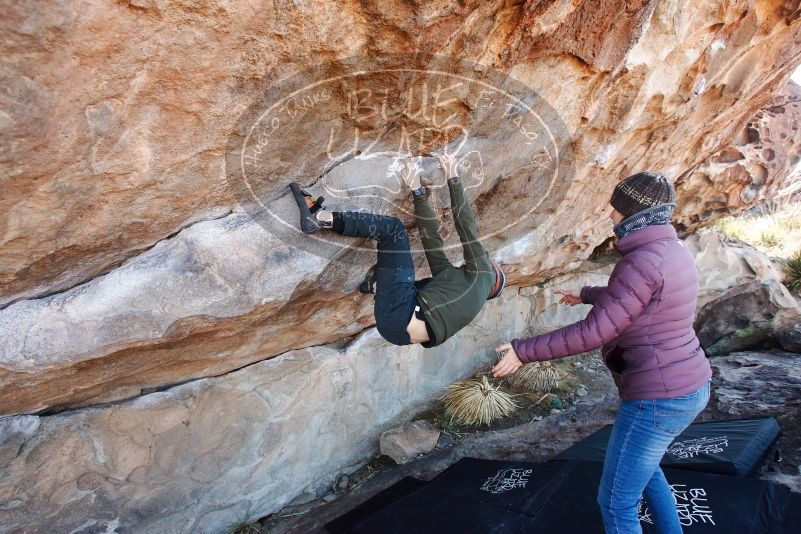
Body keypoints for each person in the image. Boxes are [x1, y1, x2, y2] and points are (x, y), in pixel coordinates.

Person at [492, 171, 712, 534]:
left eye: (618, 207)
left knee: (616, 502)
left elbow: (595, 331)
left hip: (659, 396)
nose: (610, 212)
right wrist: (588, 294)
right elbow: (642, 300)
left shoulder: (641, 262)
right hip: (690, 383)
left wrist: (522, 350)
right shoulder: (673, 250)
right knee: (645, 467)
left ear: (636, 215)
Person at [288, 149, 506, 348]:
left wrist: (452, 173)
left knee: (393, 230)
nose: (490, 259)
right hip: (394, 329)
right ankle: (374, 284)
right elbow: (431, 240)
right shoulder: (460, 291)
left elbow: (465, 223)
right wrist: (418, 192)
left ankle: (319, 218)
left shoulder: (484, 274)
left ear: (494, 274)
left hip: (403, 311)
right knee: (424, 284)